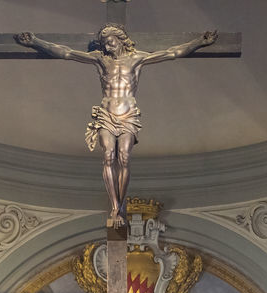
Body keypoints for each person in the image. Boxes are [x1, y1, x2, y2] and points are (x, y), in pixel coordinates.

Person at [15, 25, 217, 226]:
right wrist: (35, 42)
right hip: (106, 114)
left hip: (128, 115)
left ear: (120, 40)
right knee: (108, 155)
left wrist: (199, 42)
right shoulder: (101, 60)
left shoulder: (137, 59)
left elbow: (171, 53)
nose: (107, 46)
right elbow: (66, 52)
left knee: (125, 157)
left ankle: (120, 205)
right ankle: (115, 207)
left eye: (110, 41)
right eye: (104, 43)